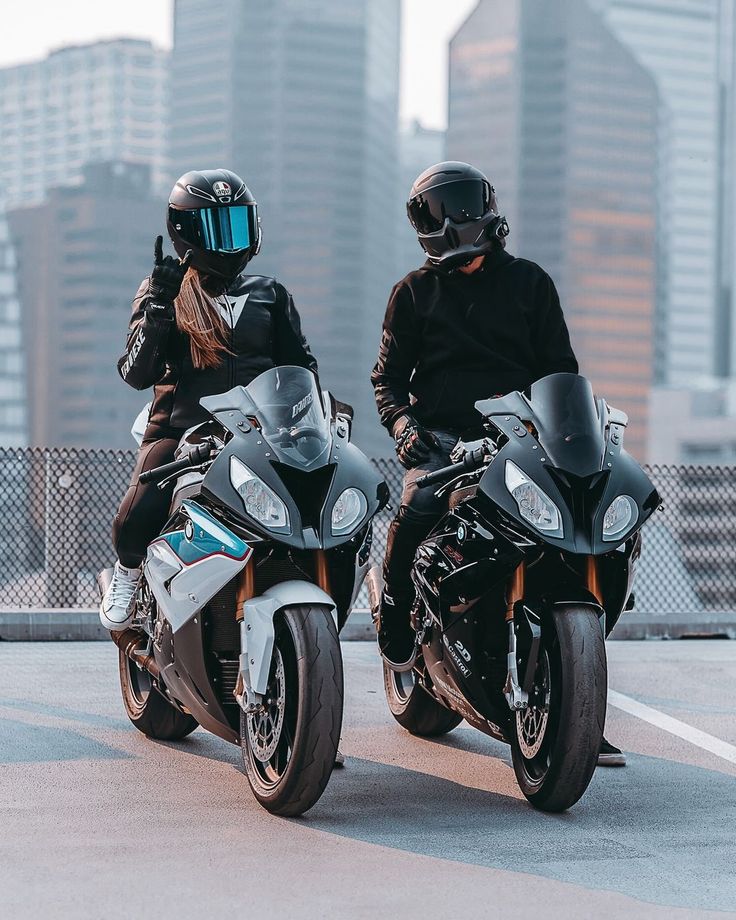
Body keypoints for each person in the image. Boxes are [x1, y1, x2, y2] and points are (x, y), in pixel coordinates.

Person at [371, 160, 625, 767]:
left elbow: (561, 371)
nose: (453, 218)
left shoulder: (531, 283)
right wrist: (404, 425)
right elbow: (386, 382)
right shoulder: (412, 294)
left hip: (521, 438)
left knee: (596, 538)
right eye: (439, 209)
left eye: (460, 204)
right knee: (416, 505)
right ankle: (394, 622)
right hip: (441, 442)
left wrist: (572, 437)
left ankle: (576, 709)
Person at [100, 168, 317, 632]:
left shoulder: (270, 293)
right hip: (180, 434)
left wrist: (315, 418)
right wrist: (159, 306)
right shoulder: (164, 290)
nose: (231, 241)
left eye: (238, 225)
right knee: (138, 515)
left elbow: (303, 367)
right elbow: (135, 373)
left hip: (260, 435)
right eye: (218, 228)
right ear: (187, 233)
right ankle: (126, 575)